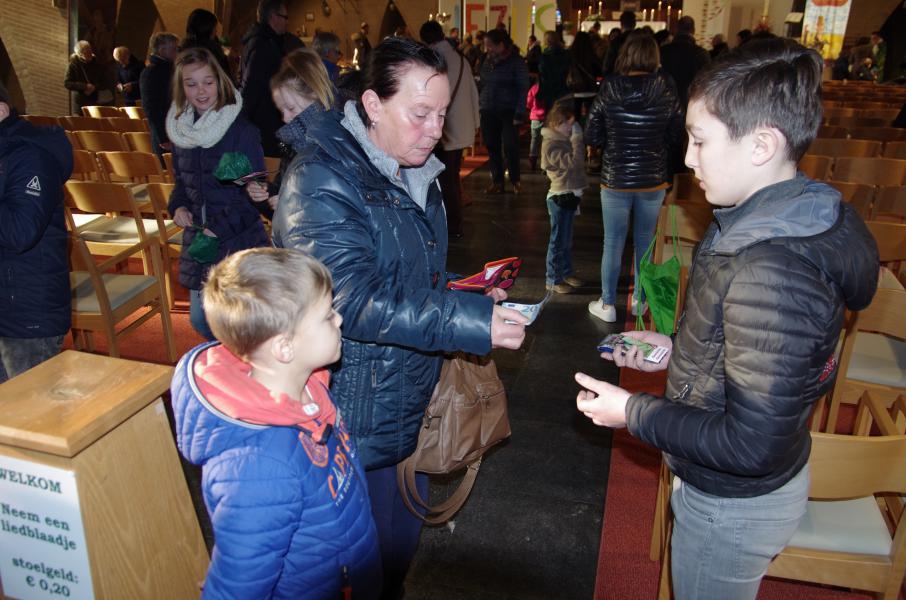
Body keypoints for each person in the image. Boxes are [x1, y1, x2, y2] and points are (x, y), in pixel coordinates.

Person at [575, 39, 879, 600]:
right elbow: (755, 347)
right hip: (738, 485)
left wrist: (634, 411)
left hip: (732, 503)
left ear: (762, 144)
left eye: (699, 140)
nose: (687, 159)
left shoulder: (774, 266)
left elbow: (750, 444)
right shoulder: (772, 214)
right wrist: (671, 345)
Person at [271, 36, 527, 599]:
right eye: (419, 113)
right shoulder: (321, 178)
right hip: (348, 406)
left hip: (400, 392)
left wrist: (465, 294)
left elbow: (402, 271)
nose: (435, 128)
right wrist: (463, 318)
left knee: (395, 547)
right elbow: (348, 298)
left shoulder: (412, 167)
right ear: (371, 104)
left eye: (441, 113)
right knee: (365, 560)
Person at [171, 247, 381, 599]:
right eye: (327, 316)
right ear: (284, 348)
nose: (339, 320)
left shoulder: (311, 387)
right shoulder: (258, 468)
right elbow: (239, 585)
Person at [166, 47, 269, 340]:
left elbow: (253, 195)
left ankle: (239, 378)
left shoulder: (241, 131)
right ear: (181, 86)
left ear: (220, 81)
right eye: (191, 83)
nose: (201, 91)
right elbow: (181, 184)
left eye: (208, 82)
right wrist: (177, 207)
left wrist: (216, 229)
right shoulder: (180, 132)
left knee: (236, 325)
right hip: (198, 239)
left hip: (237, 238)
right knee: (202, 320)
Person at [585, 30, 683, 323]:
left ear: (625, 55)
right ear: (654, 57)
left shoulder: (610, 87)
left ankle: (607, 304)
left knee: (612, 243)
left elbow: (592, 131)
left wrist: (611, 141)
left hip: (615, 177)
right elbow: (677, 131)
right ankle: (640, 300)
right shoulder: (666, 87)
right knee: (645, 242)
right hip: (653, 178)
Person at [0, 83, 73, 383]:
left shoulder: (31, 157)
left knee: (33, 418)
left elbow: (21, 232)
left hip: (27, 315)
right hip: (8, 303)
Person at [246, 48, 335, 219]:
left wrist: (295, 205)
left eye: (290, 108)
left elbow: (339, 205)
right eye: (281, 111)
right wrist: (262, 193)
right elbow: (282, 195)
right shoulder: (295, 142)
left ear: (314, 95)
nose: (285, 118)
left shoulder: (332, 141)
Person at [419, 20, 480, 239]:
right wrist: (475, 124)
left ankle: (451, 226)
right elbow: (473, 92)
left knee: (443, 181)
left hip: (442, 128)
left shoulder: (433, 60)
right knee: (451, 178)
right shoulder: (460, 58)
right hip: (459, 126)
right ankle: (454, 224)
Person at [241, 0, 305, 157]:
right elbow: (252, 87)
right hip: (264, 122)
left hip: (265, 118)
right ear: (273, 17)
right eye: (285, 17)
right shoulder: (262, 45)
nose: (287, 22)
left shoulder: (266, 42)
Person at [541, 101, 586, 294]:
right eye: (568, 124)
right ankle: (552, 279)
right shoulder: (551, 144)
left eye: (572, 124)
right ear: (556, 123)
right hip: (559, 198)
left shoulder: (561, 141)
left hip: (568, 196)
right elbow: (573, 164)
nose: (571, 128)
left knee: (566, 240)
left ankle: (565, 272)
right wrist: (577, 140)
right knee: (557, 241)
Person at [479, 28, 530, 194]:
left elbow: (523, 87)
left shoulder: (516, 61)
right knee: (492, 145)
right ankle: (497, 181)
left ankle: (515, 180)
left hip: (509, 109)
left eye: (490, 45)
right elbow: (483, 80)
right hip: (488, 107)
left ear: (501, 45)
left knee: (510, 146)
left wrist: (519, 112)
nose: (487, 49)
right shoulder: (488, 60)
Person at [140, 32, 179, 160]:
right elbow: (151, 108)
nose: (177, 53)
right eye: (174, 49)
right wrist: (161, 136)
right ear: (162, 50)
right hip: (165, 133)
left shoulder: (171, 70)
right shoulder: (152, 72)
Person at [659, 16, 710, 108]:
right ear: (693, 30)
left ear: (676, 29)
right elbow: (706, 82)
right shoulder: (702, 54)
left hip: (665, 103)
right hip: (691, 103)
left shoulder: (663, 51)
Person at [64, 40, 113, 114]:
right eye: (86, 53)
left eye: (90, 51)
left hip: (96, 101)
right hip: (80, 103)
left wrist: (94, 87)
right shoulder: (73, 65)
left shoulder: (97, 63)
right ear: (80, 54)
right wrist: (85, 86)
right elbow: (67, 83)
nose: (90, 54)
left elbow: (106, 81)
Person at [182, 9, 232, 81]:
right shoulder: (211, 52)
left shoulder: (185, 49)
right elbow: (223, 78)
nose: (216, 31)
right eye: (215, 28)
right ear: (207, 29)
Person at [537, 31, 569, 117]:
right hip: (564, 89)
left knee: (551, 117)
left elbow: (543, 76)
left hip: (550, 91)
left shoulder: (545, 56)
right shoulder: (566, 54)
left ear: (546, 41)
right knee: (563, 116)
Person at [603, 11, 637, 76]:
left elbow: (607, 66)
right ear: (635, 24)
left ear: (621, 24)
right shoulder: (641, 41)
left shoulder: (616, 42)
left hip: (618, 78)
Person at [526, 80, 546, 172]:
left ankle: (532, 163)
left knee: (534, 140)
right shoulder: (550, 87)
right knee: (545, 141)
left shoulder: (534, 88)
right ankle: (545, 164)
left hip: (535, 118)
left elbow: (529, 103)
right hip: (547, 117)